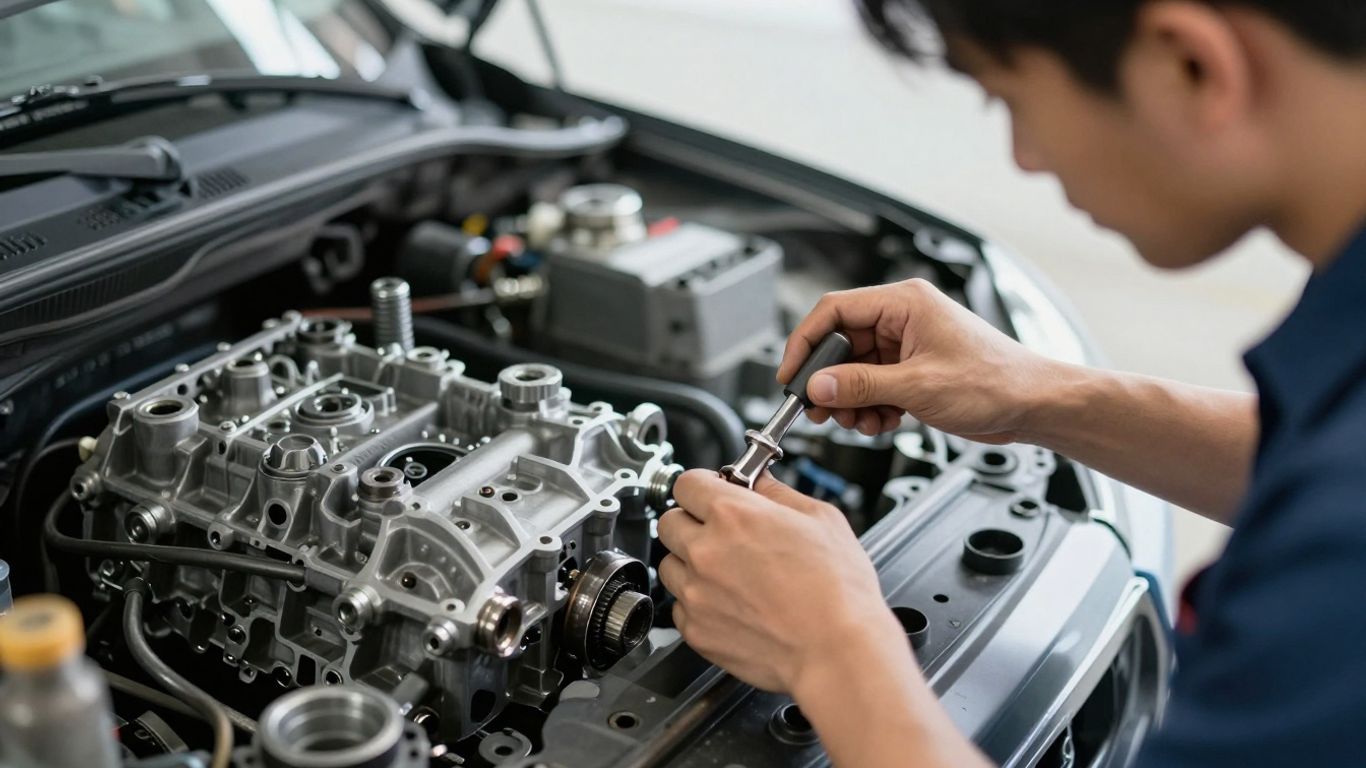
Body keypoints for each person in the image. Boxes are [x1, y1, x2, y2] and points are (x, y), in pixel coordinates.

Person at [656, 1, 1366, 766]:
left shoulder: (1339, 560)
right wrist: (1039, 394)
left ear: (1188, 64)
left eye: (1011, 99)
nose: (1025, 156)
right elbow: (1306, 451)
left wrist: (833, 651)